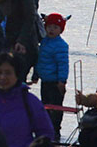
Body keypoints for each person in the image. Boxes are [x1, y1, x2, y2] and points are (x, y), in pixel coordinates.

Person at [0, 52, 54, 147]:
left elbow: (45, 133)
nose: (3, 77)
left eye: (8, 73)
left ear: (17, 74)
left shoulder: (29, 101)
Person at [34, 13, 69, 141]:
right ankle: (46, 129)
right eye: (49, 27)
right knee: (45, 105)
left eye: (55, 27)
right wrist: (36, 74)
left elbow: (63, 65)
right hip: (45, 80)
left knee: (56, 107)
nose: (51, 30)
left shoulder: (61, 45)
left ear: (60, 30)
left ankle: (56, 130)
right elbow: (40, 60)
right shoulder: (44, 42)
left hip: (55, 82)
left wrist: (62, 81)